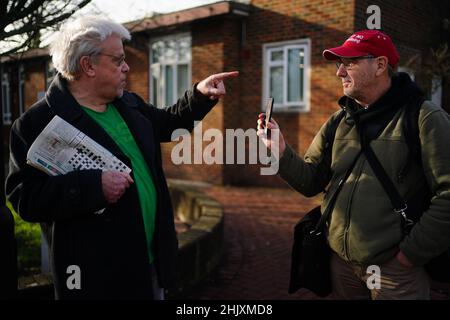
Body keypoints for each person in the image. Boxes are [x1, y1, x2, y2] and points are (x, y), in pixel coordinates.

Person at [5, 16, 238, 300]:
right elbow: (24, 199)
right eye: (118, 60)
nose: (127, 67)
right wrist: (92, 188)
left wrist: (200, 96)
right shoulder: (35, 124)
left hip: (152, 261)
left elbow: (168, 123)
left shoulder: (128, 103)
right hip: (98, 278)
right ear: (87, 65)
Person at [257, 30, 450, 299]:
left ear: (380, 65)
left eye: (349, 63)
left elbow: (447, 195)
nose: (339, 73)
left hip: (395, 271)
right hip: (342, 265)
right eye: (339, 64)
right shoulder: (338, 121)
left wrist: (409, 256)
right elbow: (310, 180)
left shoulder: (424, 118)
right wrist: (279, 150)